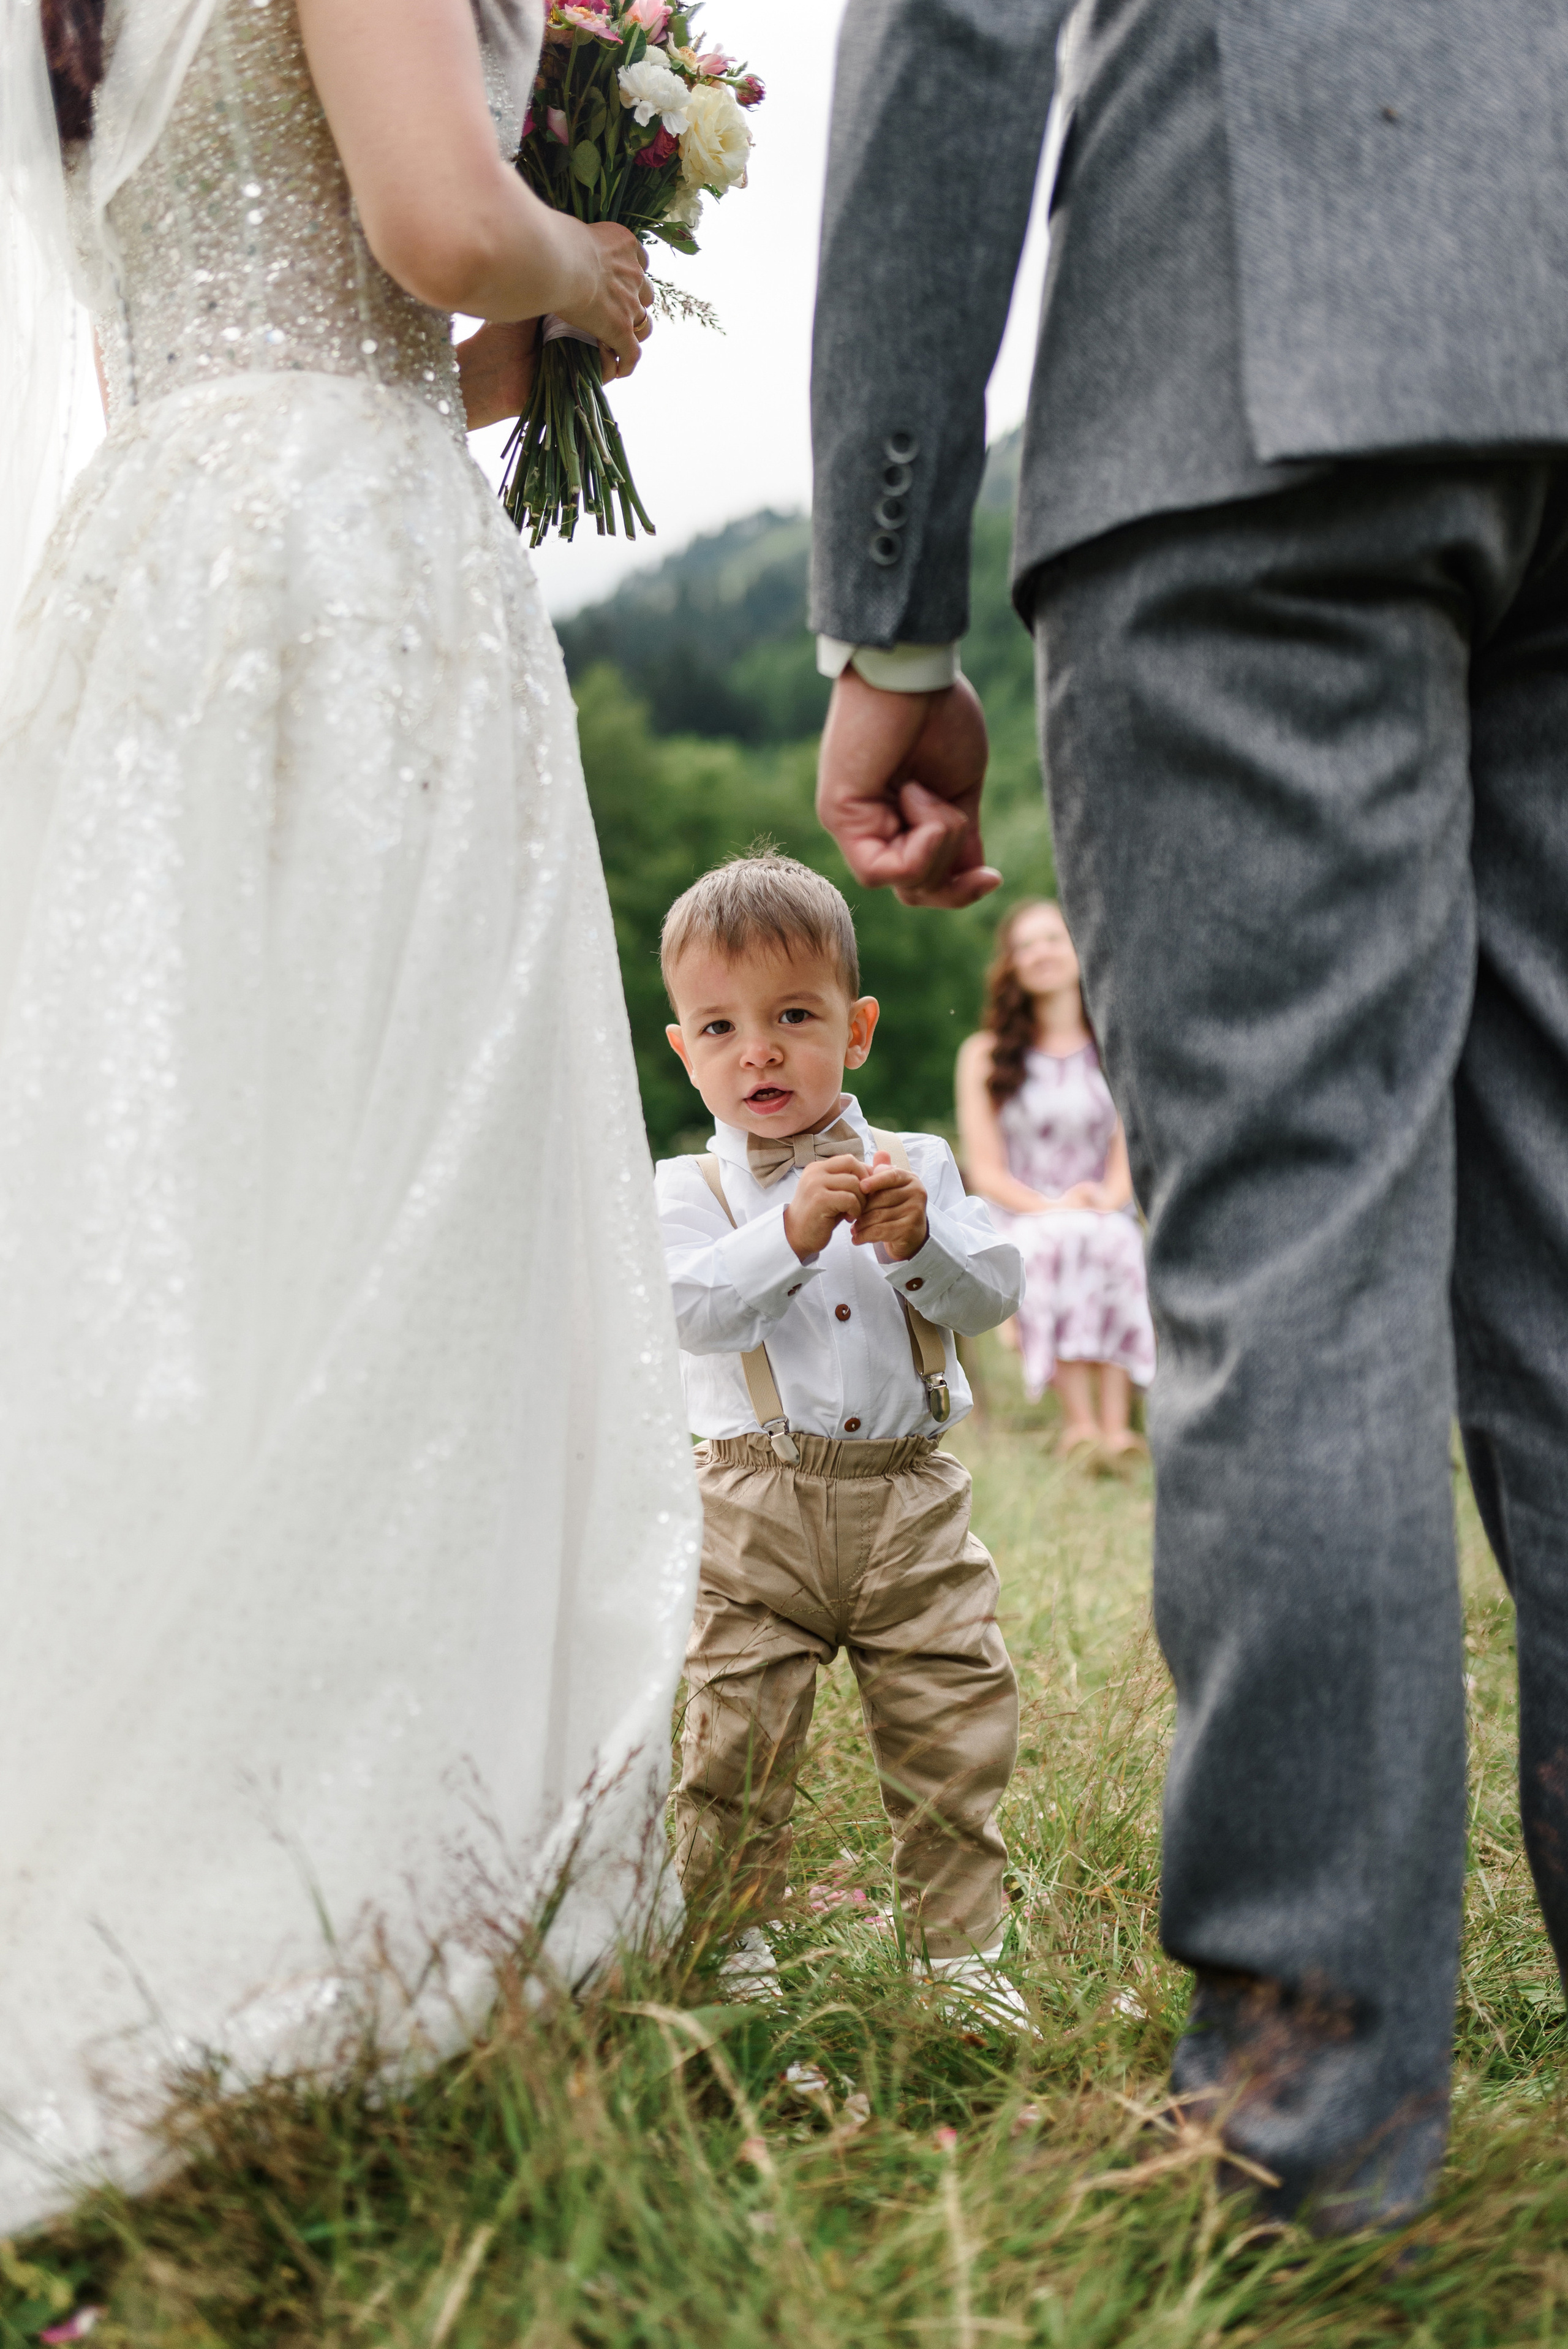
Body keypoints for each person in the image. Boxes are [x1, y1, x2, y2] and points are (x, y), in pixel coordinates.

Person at [808, 0, 1568, 2236]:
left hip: (1248, 360)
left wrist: (886, 602)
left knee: (1284, 1256)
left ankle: (1307, 2090)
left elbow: (949, 27)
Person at [0, 0, 700, 2233]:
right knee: (398, 1171)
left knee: (172, 1182)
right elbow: (431, 228)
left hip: (160, 548)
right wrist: (591, 256)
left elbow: (316, 313)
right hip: (340, 567)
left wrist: (518, 312)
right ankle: (340, 1827)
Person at [652, 853, 1027, 2019]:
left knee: (954, 1716)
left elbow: (992, 1294)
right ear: (684, 1049)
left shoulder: (915, 1163)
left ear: (856, 1030)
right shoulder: (686, 1188)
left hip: (909, 1497)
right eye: (720, 1025)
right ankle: (731, 1942)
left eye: (793, 1016)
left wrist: (921, 1244)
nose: (757, 1049)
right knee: (735, 1733)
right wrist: (790, 1237)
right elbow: (681, 1308)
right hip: (752, 1504)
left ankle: (960, 1953)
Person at [957, 898, 1153, 1458]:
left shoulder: (1115, 1049)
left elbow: (1126, 1158)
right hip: (1023, 1210)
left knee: (1113, 1238)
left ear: (1079, 948)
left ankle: (1119, 1431)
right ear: (1011, 966)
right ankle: (1080, 1425)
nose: (1040, 953)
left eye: (1052, 939)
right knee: (1051, 1243)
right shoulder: (985, 1056)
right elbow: (987, 1170)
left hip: (1101, 1203)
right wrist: (1052, 1207)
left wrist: (1104, 1199)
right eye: (1026, 946)